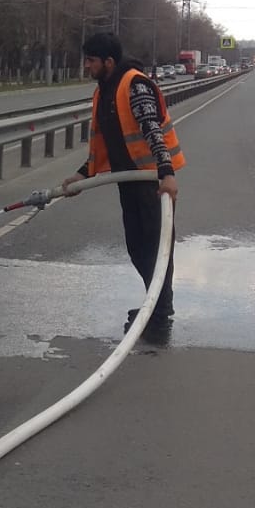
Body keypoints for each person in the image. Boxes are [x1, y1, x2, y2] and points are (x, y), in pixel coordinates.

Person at [61, 33, 185, 332]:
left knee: (155, 246)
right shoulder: (105, 90)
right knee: (138, 247)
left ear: (109, 61)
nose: (86, 66)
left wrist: (166, 174)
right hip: (128, 181)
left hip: (151, 182)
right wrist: (83, 173)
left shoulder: (134, 85)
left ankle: (159, 310)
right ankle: (154, 303)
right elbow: (108, 142)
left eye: (90, 61)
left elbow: (152, 130)